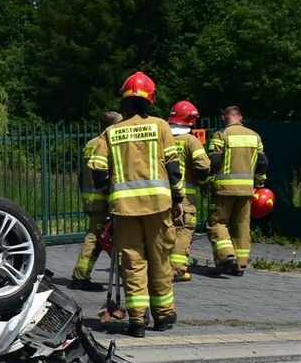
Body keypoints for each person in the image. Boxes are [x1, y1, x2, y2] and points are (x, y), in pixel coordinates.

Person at [88, 72, 183, 338]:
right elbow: (174, 169)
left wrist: (110, 188)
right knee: (160, 260)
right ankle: (163, 316)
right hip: (159, 206)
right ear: (149, 100)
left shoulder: (111, 132)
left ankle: (137, 321)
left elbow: (98, 173)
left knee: (133, 263)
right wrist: (177, 199)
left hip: (124, 211)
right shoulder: (161, 127)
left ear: (125, 101)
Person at [207, 105, 268, 276]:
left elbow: (215, 162)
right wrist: (260, 183)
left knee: (217, 223)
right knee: (241, 226)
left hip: (224, 190)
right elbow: (263, 163)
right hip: (247, 190)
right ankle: (240, 265)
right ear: (240, 117)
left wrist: (208, 180)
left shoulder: (221, 135)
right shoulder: (255, 136)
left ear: (224, 118)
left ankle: (227, 258)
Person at [70, 111, 122, 290]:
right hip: (103, 199)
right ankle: (80, 276)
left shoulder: (90, 144)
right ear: (112, 127)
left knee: (103, 236)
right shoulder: (108, 143)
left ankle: (123, 272)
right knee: (96, 236)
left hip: (91, 198)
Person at [167, 100, 212, 281]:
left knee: (164, 232)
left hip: (160, 196)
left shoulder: (162, 138)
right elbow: (203, 169)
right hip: (184, 198)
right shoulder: (190, 141)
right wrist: (203, 182)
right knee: (183, 231)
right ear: (191, 119)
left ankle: (160, 269)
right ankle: (176, 270)